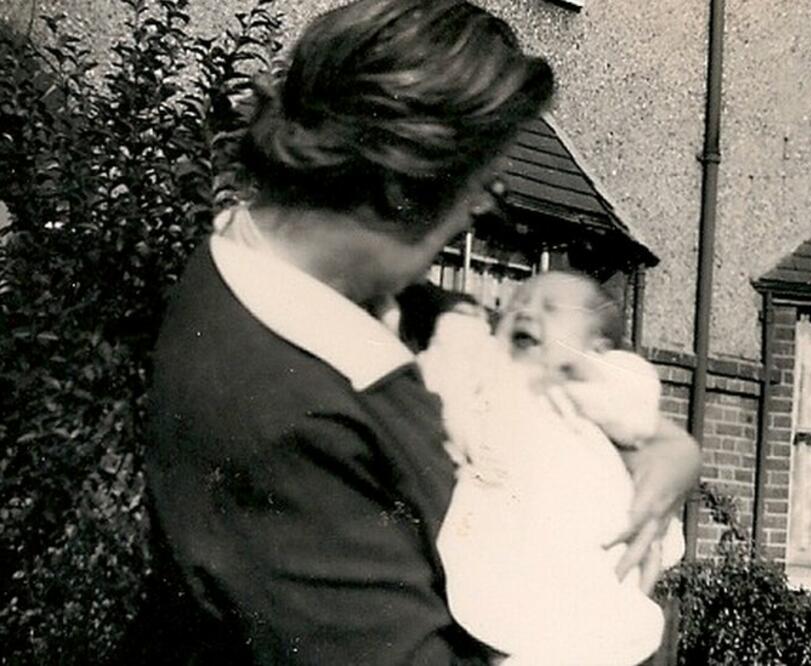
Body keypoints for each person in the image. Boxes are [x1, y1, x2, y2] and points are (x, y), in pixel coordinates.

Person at [144, 1, 701, 664]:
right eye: (478, 184)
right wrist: (650, 641)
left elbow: (531, 374)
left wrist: (666, 447)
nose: (478, 210)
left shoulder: (350, 293)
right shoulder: (278, 419)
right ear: (399, 188)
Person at [419, 272, 686, 665]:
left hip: (588, 559)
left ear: (597, 347)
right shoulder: (491, 382)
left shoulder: (597, 390)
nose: (525, 309)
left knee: (606, 630)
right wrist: (460, 336)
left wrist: (582, 370)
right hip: (507, 554)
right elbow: (446, 389)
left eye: (550, 307)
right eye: (514, 305)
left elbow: (635, 403)